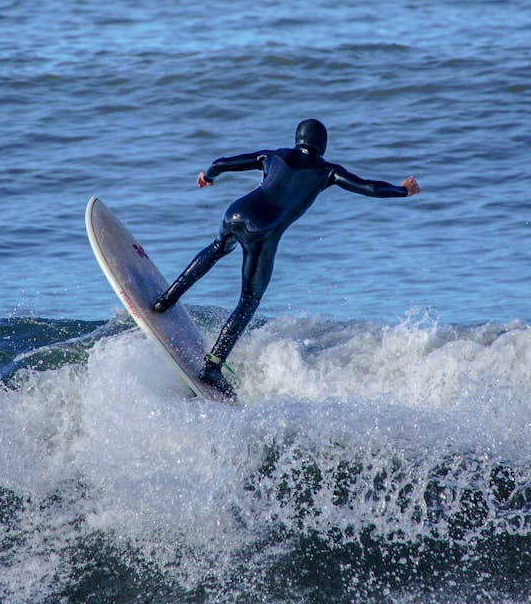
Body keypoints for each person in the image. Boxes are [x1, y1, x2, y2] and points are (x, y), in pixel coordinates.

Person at [153, 119, 420, 396]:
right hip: (263, 232)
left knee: (217, 248)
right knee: (248, 301)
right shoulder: (328, 171)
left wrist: (207, 175)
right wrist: (403, 190)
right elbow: (369, 187)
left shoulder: (273, 155)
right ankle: (212, 366)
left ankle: (165, 301)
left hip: (236, 211)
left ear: (297, 139)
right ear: (322, 145)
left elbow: (222, 162)